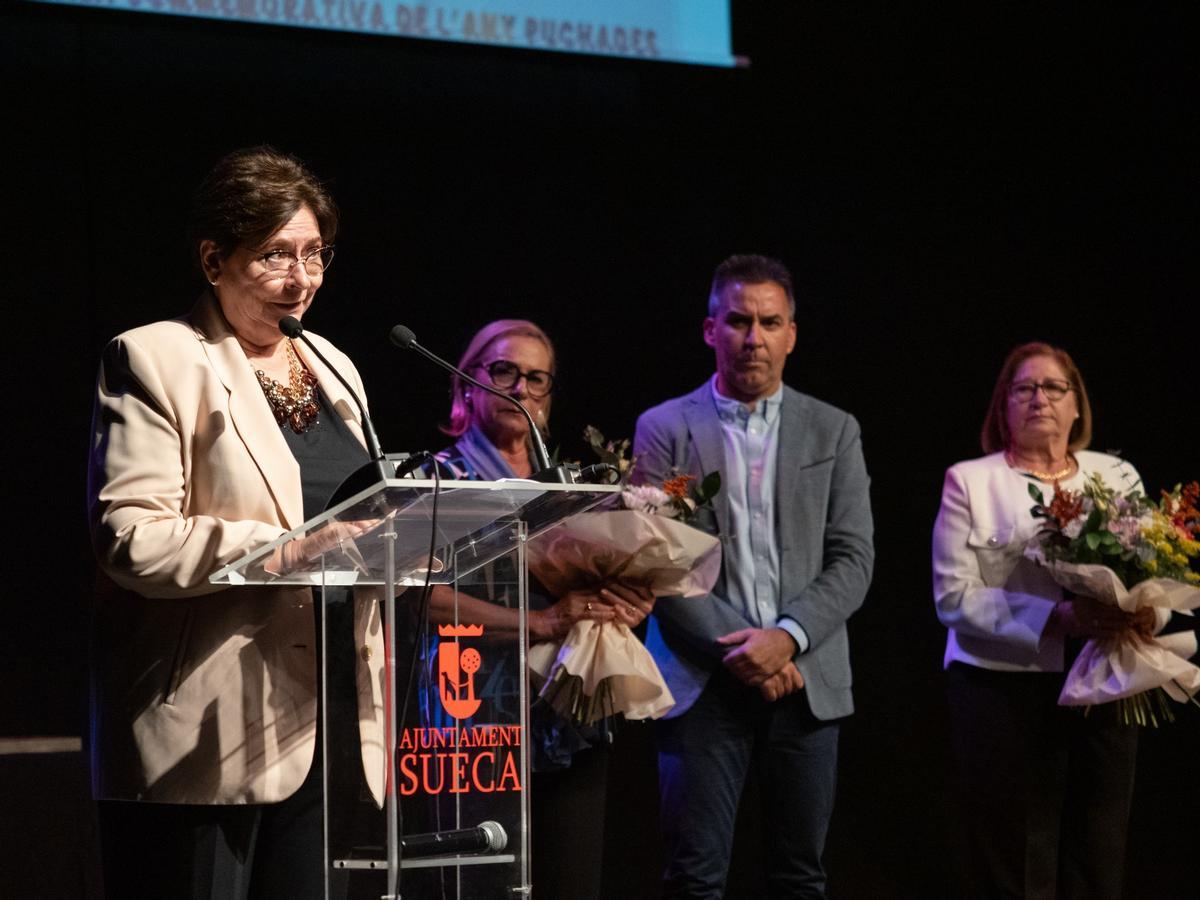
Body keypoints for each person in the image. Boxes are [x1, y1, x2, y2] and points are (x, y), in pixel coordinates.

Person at [88, 146, 384, 899]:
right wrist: (287, 550)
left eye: (315, 254)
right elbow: (131, 538)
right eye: (276, 254)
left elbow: (363, 515)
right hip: (207, 728)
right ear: (214, 259)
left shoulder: (334, 366)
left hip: (330, 719)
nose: (302, 279)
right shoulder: (155, 358)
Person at [632, 254, 874, 899]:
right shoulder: (664, 427)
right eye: (739, 320)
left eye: (770, 322)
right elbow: (655, 557)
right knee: (695, 878)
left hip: (806, 679)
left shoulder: (834, 429)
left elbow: (854, 557)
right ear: (710, 329)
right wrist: (747, 650)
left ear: (791, 334)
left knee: (800, 877)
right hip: (702, 680)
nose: (754, 338)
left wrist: (787, 638)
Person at [426, 318, 655, 899]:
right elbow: (420, 599)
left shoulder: (575, 487)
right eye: (504, 371)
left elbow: (603, 585)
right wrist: (540, 622)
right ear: (468, 383)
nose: (520, 388)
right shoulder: (436, 481)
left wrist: (624, 604)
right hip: (472, 720)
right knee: (484, 885)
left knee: (572, 879)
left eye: (536, 378)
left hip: (570, 711)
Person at [932, 341, 1151, 899]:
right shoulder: (970, 481)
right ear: (1002, 406)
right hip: (1001, 688)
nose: (1040, 399)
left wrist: (1149, 611)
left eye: (1055, 387)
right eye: (1024, 388)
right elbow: (953, 597)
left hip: (1104, 678)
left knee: (1098, 846)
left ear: (1077, 405)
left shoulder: (1117, 475)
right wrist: (1057, 617)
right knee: (1013, 852)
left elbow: (1155, 563)